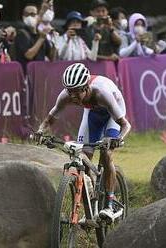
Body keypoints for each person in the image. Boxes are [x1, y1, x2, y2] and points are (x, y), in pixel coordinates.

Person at [37, 63, 131, 219]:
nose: (72, 97)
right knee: (84, 157)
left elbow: (125, 124)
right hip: (92, 113)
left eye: (76, 92)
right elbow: (49, 120)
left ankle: (109, 202)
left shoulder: (102, 94)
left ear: (86, 87)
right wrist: (40, 132)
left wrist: (118, 139)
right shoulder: (66, 95)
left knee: (106, 154)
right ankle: (91, 208)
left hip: (113, 115)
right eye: (70, 91)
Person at [14, 4, 57, 72]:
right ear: (23, 17)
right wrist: (41, 39)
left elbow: (52, 58)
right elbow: (29, 55)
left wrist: (55, 43)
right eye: (27, 14)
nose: (30, 17)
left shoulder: (41, 33)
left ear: (38, 17)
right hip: (26, 76)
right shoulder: (21, 34)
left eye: (33, 14)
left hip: (40, 75)